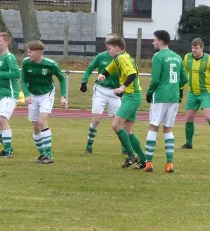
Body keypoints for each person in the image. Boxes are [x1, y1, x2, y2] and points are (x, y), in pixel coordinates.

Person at [97, 36, 147, 169]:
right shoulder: (119, 58)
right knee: (128, 131)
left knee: (116, 125)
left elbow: (132, 74)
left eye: (109, 49)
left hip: (132, 96)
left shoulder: (122, 58)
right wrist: (103, 75)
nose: (108, 52)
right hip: (131, 96)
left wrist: (122, 87)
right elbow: (109, 69)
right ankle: (143, 160)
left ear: (117, 48)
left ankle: (131, 155)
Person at [143, 30, 188, 173]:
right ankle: (169, 164)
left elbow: (155, 79)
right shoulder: (177, 57)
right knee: (168, 128)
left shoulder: (158, 56)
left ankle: (149, 163)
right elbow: (185, 78)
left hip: (160, 96)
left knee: (153, 126)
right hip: (174, 97)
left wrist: (149, 93)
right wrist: (177, 88)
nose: (153, 42)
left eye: (154, 40)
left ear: (161, 41)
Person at [21, 40, 68, 164]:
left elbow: (62, 79)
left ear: (38, 53)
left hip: (46, 95)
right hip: (32, 95)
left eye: (30, 52)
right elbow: (23, 80)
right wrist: (26, 95)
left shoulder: (51, 64)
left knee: (42, 121)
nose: (28, 54)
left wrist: (63, 96)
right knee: (35, 125)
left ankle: (49, 155)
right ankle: (42, 154)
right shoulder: (26, 63)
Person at [180, 38, 210, 151]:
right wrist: (180, 88)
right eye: (192, 48)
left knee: (209, 117)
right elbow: (184, 73)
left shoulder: (209, 59)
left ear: (202, 48)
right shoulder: (187, 57)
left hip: (206, 93)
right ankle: (188, 143)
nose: (194, 50)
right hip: (192, 93)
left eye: (196, 48)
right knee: (189, 118)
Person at [80, 33, 122, 154]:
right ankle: (89, 145)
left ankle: (125, 147)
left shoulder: (122, 58)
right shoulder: (101, 56)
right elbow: (89, 68)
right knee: (96, 119)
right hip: (101, 91)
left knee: (118, 121)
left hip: (115, 92)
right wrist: (84, 81)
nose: (109, 44)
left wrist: (123, 89)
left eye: (111, 42)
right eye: (107, 42)